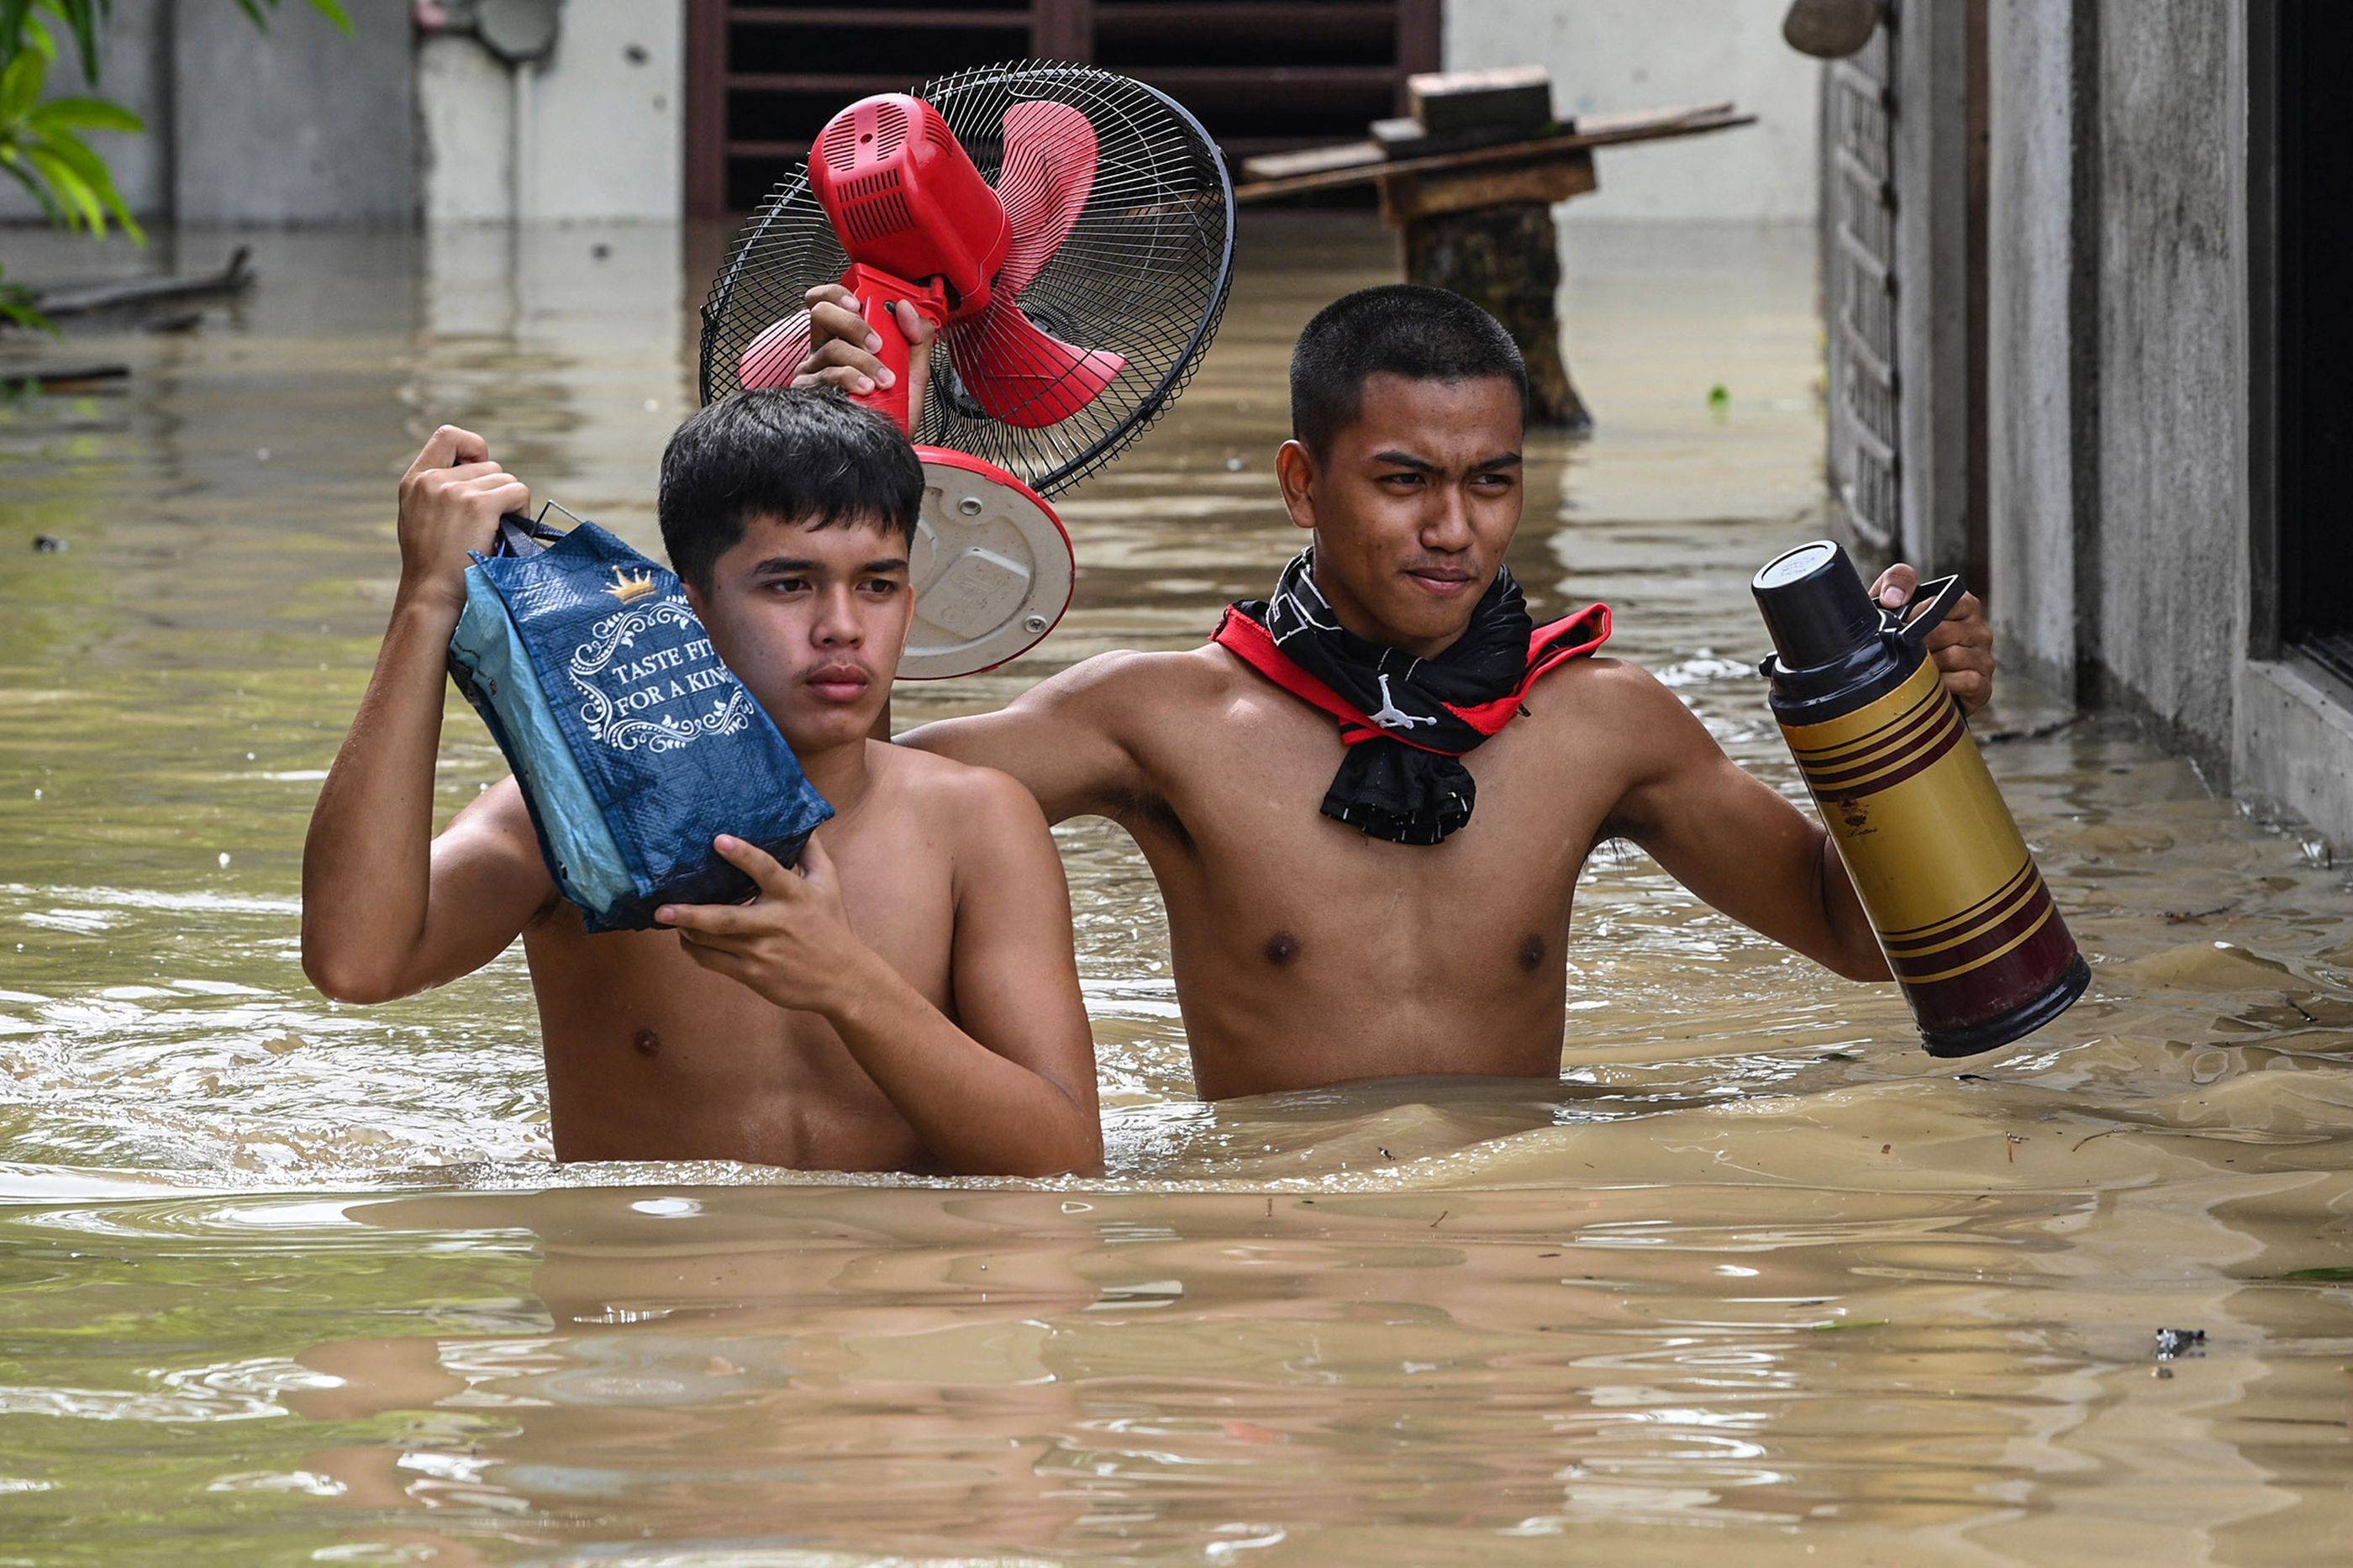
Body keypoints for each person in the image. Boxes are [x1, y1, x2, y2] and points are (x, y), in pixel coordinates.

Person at [792, 282, 1998, 1101]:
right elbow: (852, 815)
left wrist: (1914, 726)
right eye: (1405, 480)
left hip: (1511, 1272)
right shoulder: (1158, 720)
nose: (1453, 530)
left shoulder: (1601, 718)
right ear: (1303, 484)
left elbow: (1857, 940)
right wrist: (852, 477)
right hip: (1284, 1271)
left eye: (1491, 483)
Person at [301, 390, 1101, 1176]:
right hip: (662, 1300)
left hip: (898, 1299)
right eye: (790, 585)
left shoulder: (976, 822)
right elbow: (357, 966)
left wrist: (848, 985)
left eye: (877, 586)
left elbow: (1064, 1162)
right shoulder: (575, 821)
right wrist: (427, 598)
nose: (844, 626)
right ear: (687, 612)